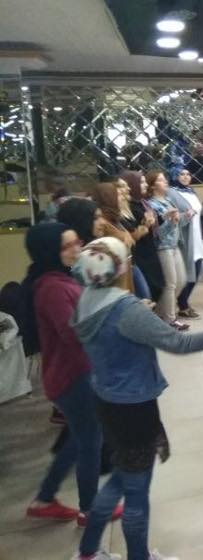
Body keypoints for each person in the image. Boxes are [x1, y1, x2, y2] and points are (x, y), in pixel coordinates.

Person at [71, 236, 203, 560]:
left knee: (120, 479)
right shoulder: (125, 310)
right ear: (118, 267)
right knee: (136, 491)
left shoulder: (86, 299)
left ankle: (88, 552)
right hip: (134, 407)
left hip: (107, 399)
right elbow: (178, 343)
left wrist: (141, 316)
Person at [22, 224, 116, 527]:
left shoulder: (62, 278)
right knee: (90, 442)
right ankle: (90, 509)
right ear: (50, 251)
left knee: (79, 438)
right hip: (74, 376)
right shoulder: (52, 288)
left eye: (78, 242)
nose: (78, 249)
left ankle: (44, 499)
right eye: (68, 245)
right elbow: (75, 332)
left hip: (76, 372)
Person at [144, 171, 190, 331]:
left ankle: (159, 312)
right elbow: (158, 233)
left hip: (174, 245)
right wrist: (170, 220)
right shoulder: (151, 205)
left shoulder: (168, 200)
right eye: (161, 180)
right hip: (163, 247)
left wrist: (185, 217)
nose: (165, 182)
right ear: (152, 185)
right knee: (170, 284)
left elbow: (177, 223)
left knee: (181, 280)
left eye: (165, 179)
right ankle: (170, 319)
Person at [169, 166, 203, 318]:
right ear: (175, 176)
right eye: (181, 174)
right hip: (185, 237)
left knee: (196, 271)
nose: (185, 177)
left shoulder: (191, 191)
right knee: (186, 274)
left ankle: (183, 302)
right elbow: (173, 216)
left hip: (196, 236)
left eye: (188, 174)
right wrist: (185, 215)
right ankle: (182, 305)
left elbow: (197, 213)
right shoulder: (172, 193)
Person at [89, 182, 136, 293]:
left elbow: (130, 240)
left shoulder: (115, 218)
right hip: (117, 276)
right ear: (108, 198)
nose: (122, 198)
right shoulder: (103, 222)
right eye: (117, 195)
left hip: (127, 268)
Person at [117, 175, 158, 301]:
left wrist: (145, 225)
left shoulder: (130, 207)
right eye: (122, 186)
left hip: (133, 259)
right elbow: (130, 237)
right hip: (131, 259)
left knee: (148, 293)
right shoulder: (121, 211)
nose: (127, 189)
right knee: (144, 296)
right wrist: (143, 227)